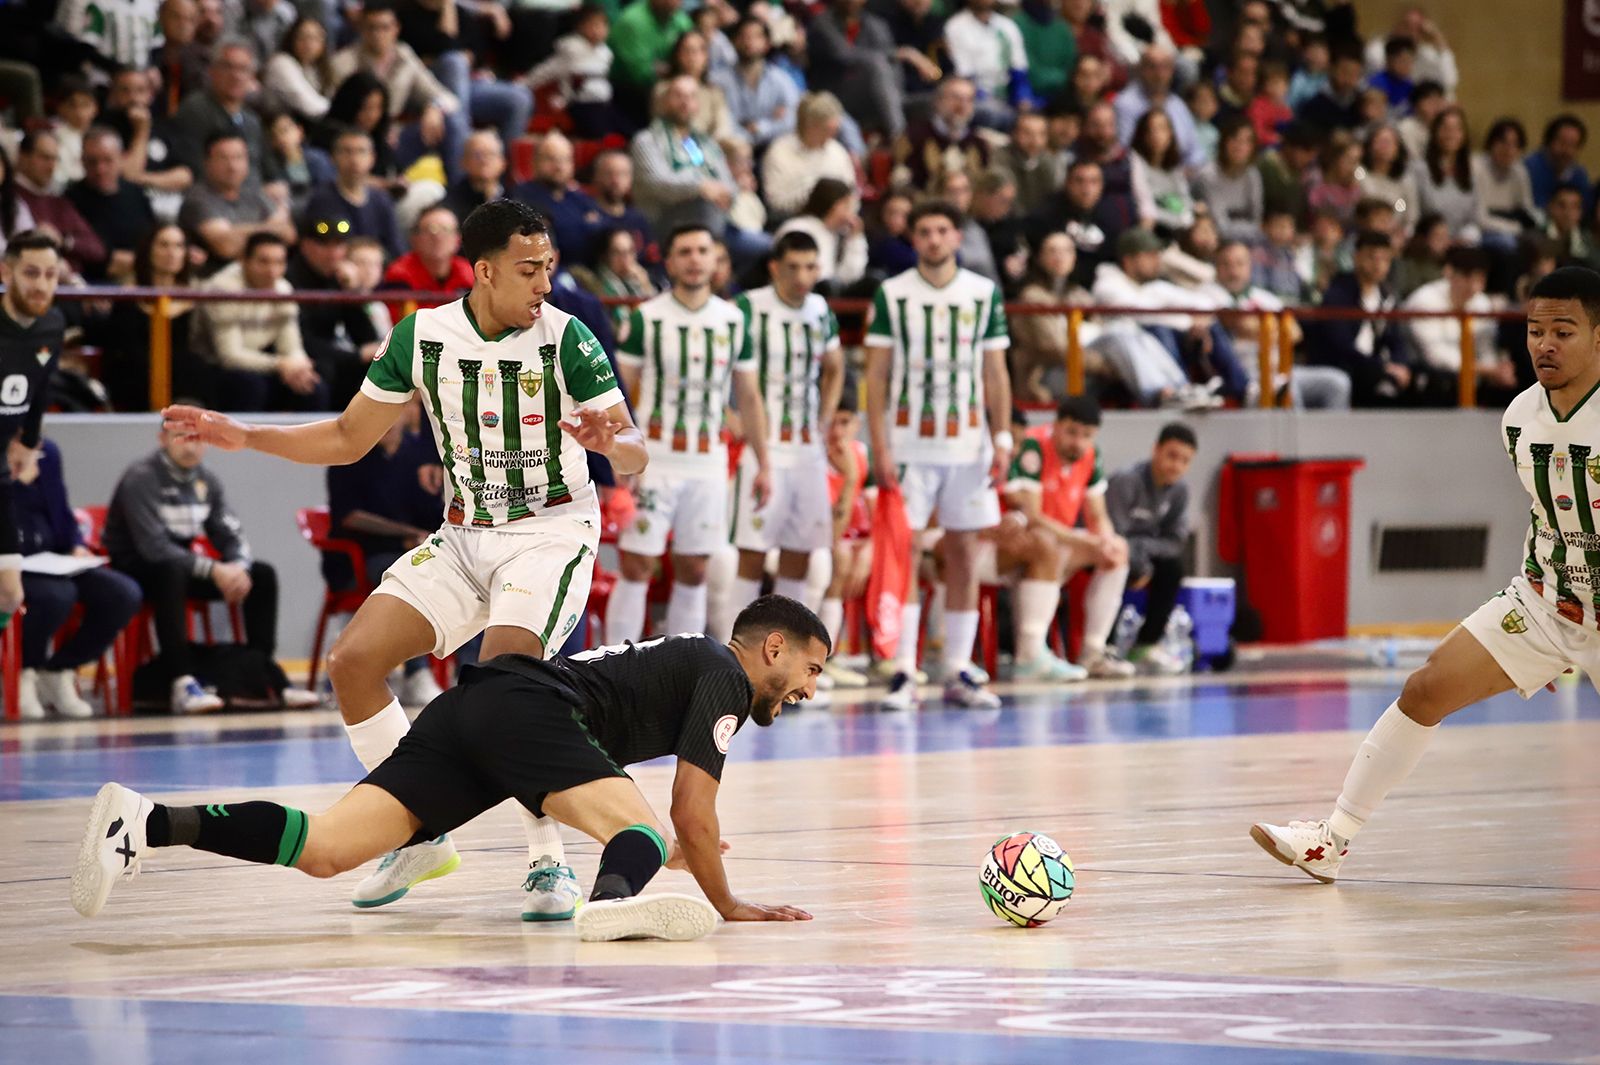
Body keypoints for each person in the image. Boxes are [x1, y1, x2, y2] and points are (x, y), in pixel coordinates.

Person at [160, 200, 646, 919]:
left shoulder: (567, 337)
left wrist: (613, 442)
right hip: (461, 534)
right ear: (482, 271)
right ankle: (422, 830)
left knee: (506, 686)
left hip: (549, 532)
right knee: (351, 661)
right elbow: (350, 437)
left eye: (549, 266)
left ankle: (549, 863)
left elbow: (633, 450)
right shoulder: (421, 336)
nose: (545, 282)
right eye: (529, 269)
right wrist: (246, 435)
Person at [73, 595, 823, 939]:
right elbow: (692, 809)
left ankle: (147, 821)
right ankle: (611, 904)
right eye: (810, 668)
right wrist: (730, 903)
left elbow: (673, 824)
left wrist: (675, 847)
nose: (809, 689)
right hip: (531, 708)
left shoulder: (690, 660)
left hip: (474, 711)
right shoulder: (724, 673)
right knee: (643, 827)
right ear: (772, 647)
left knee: (329, 848)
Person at [1251, 266, 1600, 881]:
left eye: (1563, 331)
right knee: (1425, 687)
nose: (1544, 344)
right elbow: (1550, 514)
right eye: (1535, 329)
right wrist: (1549, 637)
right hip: (1547, 604)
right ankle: (1331, 840)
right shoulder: (1519, 417)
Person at [865, 200, 1011, 711]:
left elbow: (995, 372)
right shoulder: (893, 293)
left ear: (956, 237)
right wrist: (878, 446)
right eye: (924, 231)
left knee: (965, 555)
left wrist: (1005, 436)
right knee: (905, 553)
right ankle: (905, 670)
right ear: (914, 238)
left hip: (969, 444)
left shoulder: (982, 292)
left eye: (942, 230)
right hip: (908, 445)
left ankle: (957, 668)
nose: (932, 239)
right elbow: (877, 376)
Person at [606, 224, 769, 646]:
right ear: (670, 260)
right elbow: (620, 390)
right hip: (653, 460)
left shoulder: (734, 320)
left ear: (716, 260)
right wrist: (620, 454)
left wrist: (763, 463)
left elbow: (749, 396)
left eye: (702, 250)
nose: (695, 259)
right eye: (685, 251)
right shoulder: (647, 317)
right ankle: (615, 665)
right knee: (637, 562)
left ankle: (680, 668)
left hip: (709, 462)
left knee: (696, 566)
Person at [103, 412, 315, 713]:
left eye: (197, 439)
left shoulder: (206, 481)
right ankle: (182, 681)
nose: (190, 447)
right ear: (163, 439)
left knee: (261, 574)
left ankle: (263, 674)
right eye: (180, 438)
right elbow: (154, 547)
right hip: (138, 569)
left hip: (182, 565)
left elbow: (231, 534)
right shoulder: (141, 478)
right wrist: (215, 570)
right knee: (171, 572)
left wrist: (238, 568)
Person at [726, 231, 844, 626]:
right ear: (775, 267)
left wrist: (824, 420)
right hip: (764, 447)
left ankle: (788, 650)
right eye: (793, 267)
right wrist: (729, 413)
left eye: (810, 267)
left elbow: (835, 368)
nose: (802, 276)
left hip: (807, 448)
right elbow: (720, 365)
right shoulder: (746, 307)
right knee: (752, 551)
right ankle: (734, 651)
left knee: (802, 551)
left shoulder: (821, 310)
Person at [995, 398, 1133, 680]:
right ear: (1055, 425)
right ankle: (1031, 654)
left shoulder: (1091, 455)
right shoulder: (1034, 447)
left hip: (1061, 543)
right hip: (1023, 543)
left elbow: (1097, 514)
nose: (1078, 443)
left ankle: (1093, 651)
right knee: (1047, 545)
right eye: (1071, 432)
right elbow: (1032, 516)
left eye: (1086, 436)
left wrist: (1104, 539)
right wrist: (1084, 542)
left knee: (1117, 551)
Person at [12, 439, 143, 719]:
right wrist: (14, 484)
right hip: (10, 563)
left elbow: (61, 508)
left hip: (53, 558)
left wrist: (75, 544)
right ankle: (22, 670)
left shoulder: (47, 452)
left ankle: (58, 669)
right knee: (56, 596)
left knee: (122, 594)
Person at [326, 405, 445, 708]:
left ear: (410, 414)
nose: (389, 420)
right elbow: (350, 517)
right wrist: (404, 534)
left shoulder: (419, 458)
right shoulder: (348, 456)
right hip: (360, 558)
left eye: (399, 410)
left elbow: (432, 515)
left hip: (412, 552)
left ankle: (474, 673)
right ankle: (417, 673)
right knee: (405, 574)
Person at [0, 233, 69, 650]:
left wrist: (28, 441)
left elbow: (41, 387)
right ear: (6, 272)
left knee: (10, 593)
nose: (41, 285)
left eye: (49, 275)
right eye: (30, 273)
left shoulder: (52, 325)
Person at [1204, 239, 1350, 410]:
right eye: (1226, 264)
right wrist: (1271, 328)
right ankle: (1300, 438)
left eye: (1240, 264)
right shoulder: (1207, 293)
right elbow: (1239, 323)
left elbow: (1295, 333)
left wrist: (1261, 329)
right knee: (1288, 390)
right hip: (1245, 376)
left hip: (1281, 369)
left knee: (1338, 383)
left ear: (1250, 266)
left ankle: (1330, 437)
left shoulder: (1265, 297)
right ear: (1216, 267)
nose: (1233, 271)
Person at [1105, 421, 1196, 675]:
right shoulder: (1126, 480)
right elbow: (1114, 533)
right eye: (1172, 455)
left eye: (1185, 460)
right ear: (1156, 449)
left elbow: (1176, 540)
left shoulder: (1180, 491)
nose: (1176, 465)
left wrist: (1143, 555)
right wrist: (1138, 562)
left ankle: (1146, 644)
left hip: (1142, 554)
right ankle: (1105, 646)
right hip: (1110, 550)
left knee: (1172, 569)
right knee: (1115, 562)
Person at [197, 231, 324, 411]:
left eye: (279, 262)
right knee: (250, 385)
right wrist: (280, 364)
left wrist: (299, 367)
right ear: (243, 261)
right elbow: (229, 355)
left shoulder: (283, 289)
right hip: (212, 366)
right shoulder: (223, 289)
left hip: (260, 361)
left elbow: (291, 346)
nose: (272, 271)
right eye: (264, 262)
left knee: (313, 386)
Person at [1306, 230, 1413, 407]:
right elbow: (1340, 347)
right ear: (1356, 257)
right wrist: (1382, 367)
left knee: (1423, 380)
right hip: (1345, 367)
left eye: (1385, 259)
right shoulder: (1337, 294)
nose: (1378, 265)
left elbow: (1396, 340)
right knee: (1379, 383)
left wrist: (1400, 364)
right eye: (1372, 258)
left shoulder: (1388, 296)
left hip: (1375, 366)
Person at [1401, 246, 1515, 406]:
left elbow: (1486, 348)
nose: (1473, 287)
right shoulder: (1425, 301)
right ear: (1449, 273)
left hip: (1471, 376)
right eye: (1467, 278)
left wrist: (1498, 369)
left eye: (1480, 280)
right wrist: (1485, 370)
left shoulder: (1481, 303)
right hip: (1425, 375)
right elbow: (1435, 356)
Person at [177, 130, 295, 272]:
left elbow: (289, 234)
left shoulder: (254, 193)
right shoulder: (197, 198)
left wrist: (238, 232)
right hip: (214, 279)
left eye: (238, 157)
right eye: (224, 158)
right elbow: (226, 247)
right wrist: (270, 227)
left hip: (261, 275)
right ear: (206, 162)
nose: (232, 166)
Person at [817, 392, 872, 688]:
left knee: (891, 555)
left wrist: (872, 548)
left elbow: (879, 519)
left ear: (857, 424)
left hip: (855, 544)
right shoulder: (815, 459)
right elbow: (831, 534)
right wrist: (850, 480)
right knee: (836, 556)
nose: (837, 432)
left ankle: (890, 657)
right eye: (831, 422)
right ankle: (822, 658)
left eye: (845, 422)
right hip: (822, 544)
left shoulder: (864, 454)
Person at [65, 127, 156, 283]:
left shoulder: (135, 193)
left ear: (121, 158)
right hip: (95, 282)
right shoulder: (71, 199)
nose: (100, 169)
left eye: (108, 160)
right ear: (82, 161)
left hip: (144, 274)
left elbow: (153, 238)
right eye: (92, 162)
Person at [303, 128, 403, 259]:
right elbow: (325, 247)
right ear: (332, 158)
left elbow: (394, 247)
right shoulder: (321, 200)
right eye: (346, 152)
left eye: (361, 152)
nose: (354, 159)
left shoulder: (382, 200)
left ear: (372, 158)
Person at [512, 132, 606, 270]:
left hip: (589, 271)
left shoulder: (580, 198)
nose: (559, 166)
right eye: (551, 159)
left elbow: (602, 233)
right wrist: (582, 224)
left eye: (565, 160)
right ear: (535, 161)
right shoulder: (522, 195)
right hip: (550, 273)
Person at [711, 15, 799, 151]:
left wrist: (760, 127)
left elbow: (791, 119)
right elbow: (722, 123)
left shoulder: (781, 79)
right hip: (730, 149)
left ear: (767, 44)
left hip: (772, 147)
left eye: (756, 36)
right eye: (744, 36)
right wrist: (771, 122)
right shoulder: (718, 80)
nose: (749, 41)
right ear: (734, 41)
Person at [381, 204, 475, 320]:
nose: (438, 237)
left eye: (446, 230)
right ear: (414, 238)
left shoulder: (471, 274)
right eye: (430, 230)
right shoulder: (399, 275)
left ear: (457, 239)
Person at [771, 179, 867, 289]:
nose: (850, 214)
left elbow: (849, 277)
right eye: (846, 206)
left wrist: (855, 239)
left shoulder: (836, 235)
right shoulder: (798, 229)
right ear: (831, 204)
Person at [1526, 115, 1593, 212]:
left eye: (1573, 145)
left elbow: (1585, 208)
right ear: (1548, 142)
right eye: (1562, 143)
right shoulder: (1529, 168)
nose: (1567, 150)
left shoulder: (1579, 174)